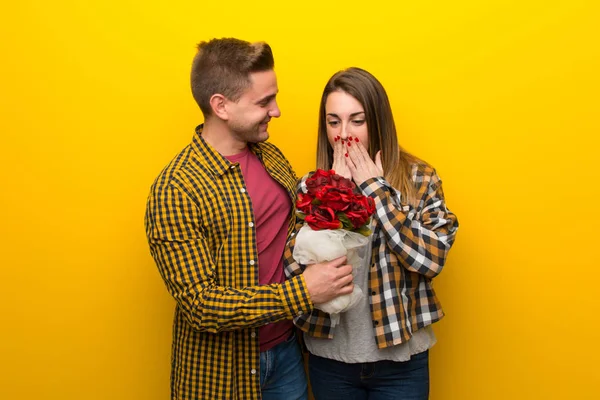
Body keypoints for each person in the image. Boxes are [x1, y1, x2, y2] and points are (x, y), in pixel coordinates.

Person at [144, 38, 355, 400]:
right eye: (264, 102)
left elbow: (298, 235)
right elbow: (200, 305)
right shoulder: (175, 189)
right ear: (221, 106)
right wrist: (302, 293)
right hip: (219, 375)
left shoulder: (271, 158)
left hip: (288, 356)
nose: (276, 111)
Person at [284, 67, 459, 399]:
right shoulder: (311, 186)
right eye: (334, 122)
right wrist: (333, 195)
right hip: (330, 360)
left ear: (377, 122)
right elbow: (294, 272)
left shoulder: (419, 178)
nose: (344, 134)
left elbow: (431, 260)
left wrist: (376, 190)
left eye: (357, 121)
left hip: (401, 362)